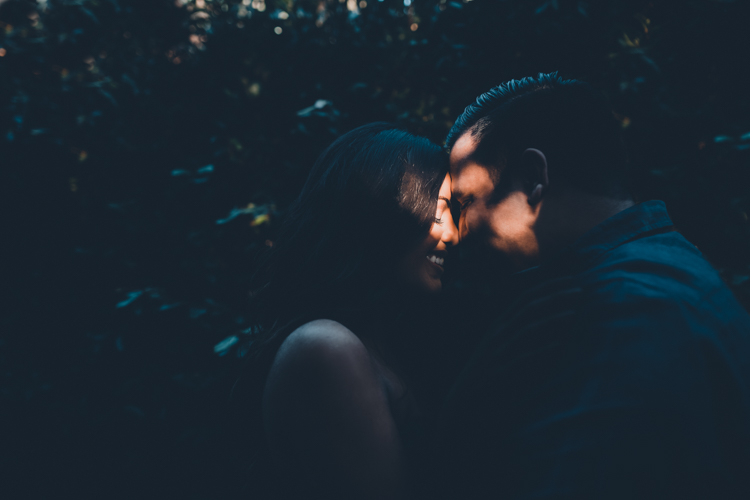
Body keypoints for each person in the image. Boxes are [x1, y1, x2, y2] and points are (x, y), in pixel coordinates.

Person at [429, 73, 750, 499]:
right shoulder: (668, 268)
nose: (457, 232)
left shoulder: (616, 316)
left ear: (531, 177)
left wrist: (460, 425)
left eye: (466, 202)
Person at [232, 123, 459, 499]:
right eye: (438, 213)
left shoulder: (384, 346)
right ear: (381, 213)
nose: (452, 233)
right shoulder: (325, 347)